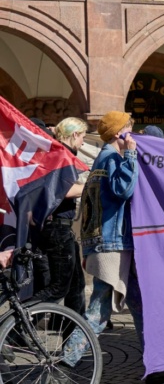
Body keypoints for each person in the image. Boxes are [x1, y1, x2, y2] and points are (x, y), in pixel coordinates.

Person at [62, 112, 164, 383]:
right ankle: (65, 359)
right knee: (99, 310)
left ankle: (156, 364)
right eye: (130, 128)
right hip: (111, 245)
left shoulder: (102, 158)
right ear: (120, 133)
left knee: (140, 305)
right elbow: (123, 190)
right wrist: (130, 155)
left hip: (109, 243)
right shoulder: (111, 158)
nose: (134, 134)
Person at [31, 117, 88, 316]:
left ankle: (74, 332)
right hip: (56, 227)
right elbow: (65, 190)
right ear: (74, 135)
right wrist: (91, 186)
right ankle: (16, 321)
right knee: (58, 287)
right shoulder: (62, 154)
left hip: (59, 226)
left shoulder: (58, 152)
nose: (83, 141)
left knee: (76, 284)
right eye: (82, 136)